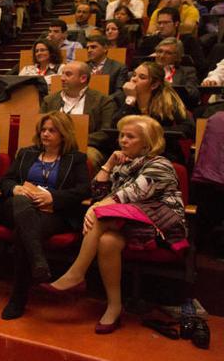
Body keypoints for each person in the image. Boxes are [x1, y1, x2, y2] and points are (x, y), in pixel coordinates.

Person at [43, 115, 186, 334]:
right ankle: (114, 306)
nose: (123, 140)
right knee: (108, 241)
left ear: (147, 142)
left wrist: (97, 207)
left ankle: (76, 274)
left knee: (101, 215)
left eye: (130, 137)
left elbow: (133, 193)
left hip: (159, 225)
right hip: (124, 224)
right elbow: (98, 193)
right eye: (121, 135)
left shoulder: (160, 164)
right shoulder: (122, 165)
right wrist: (108, 165)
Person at [0, 112, 90, 320]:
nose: (45, 134)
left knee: (25, 233)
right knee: (22, 203)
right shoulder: (26, 154)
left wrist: (53, 197)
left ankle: (18, 298)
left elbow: (84, 190)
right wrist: (15, 189)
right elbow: (6, 180)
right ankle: (38, 260)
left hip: (52, 213)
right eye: (43, 130)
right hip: (15, 207)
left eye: (52, 130)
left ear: (63, 134)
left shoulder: (75, 159)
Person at [113, 62, 194, 164]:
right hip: (130, 153)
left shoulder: (168, 101)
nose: (134, 79)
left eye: (142, 77)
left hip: (163, 153)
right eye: (133, 75)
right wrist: (130, 99)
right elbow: (115, 126)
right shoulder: (123, 98)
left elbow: (188, 128)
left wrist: (152, 132)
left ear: (154, 85)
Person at [40, 62, 115, 169]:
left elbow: (106, 132)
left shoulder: (103, 101)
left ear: (83, 78)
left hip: (86, 146)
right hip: (51, 144)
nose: (62, 78)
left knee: (89, 157)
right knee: (25, 151)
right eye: (62, 74)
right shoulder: (49, 100)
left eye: (68, 74)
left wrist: (76, 140)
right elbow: (39, 126)